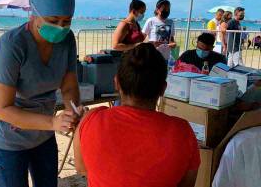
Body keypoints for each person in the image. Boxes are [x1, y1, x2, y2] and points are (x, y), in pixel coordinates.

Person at [0, 0, 81, 187]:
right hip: (9, 136)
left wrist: (73, 108)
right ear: (34, 14)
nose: (61, 28)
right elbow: (3, 109)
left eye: (67, 22)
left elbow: (69, 84)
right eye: (53, 21)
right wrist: (53, 122)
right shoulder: (12, 45)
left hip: (43, 134)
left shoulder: (67, 39)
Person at [73, 43, 200, 187]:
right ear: (163, 89)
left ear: (116, 83)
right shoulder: (182, 132)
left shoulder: (91, 120)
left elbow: (82, 168)